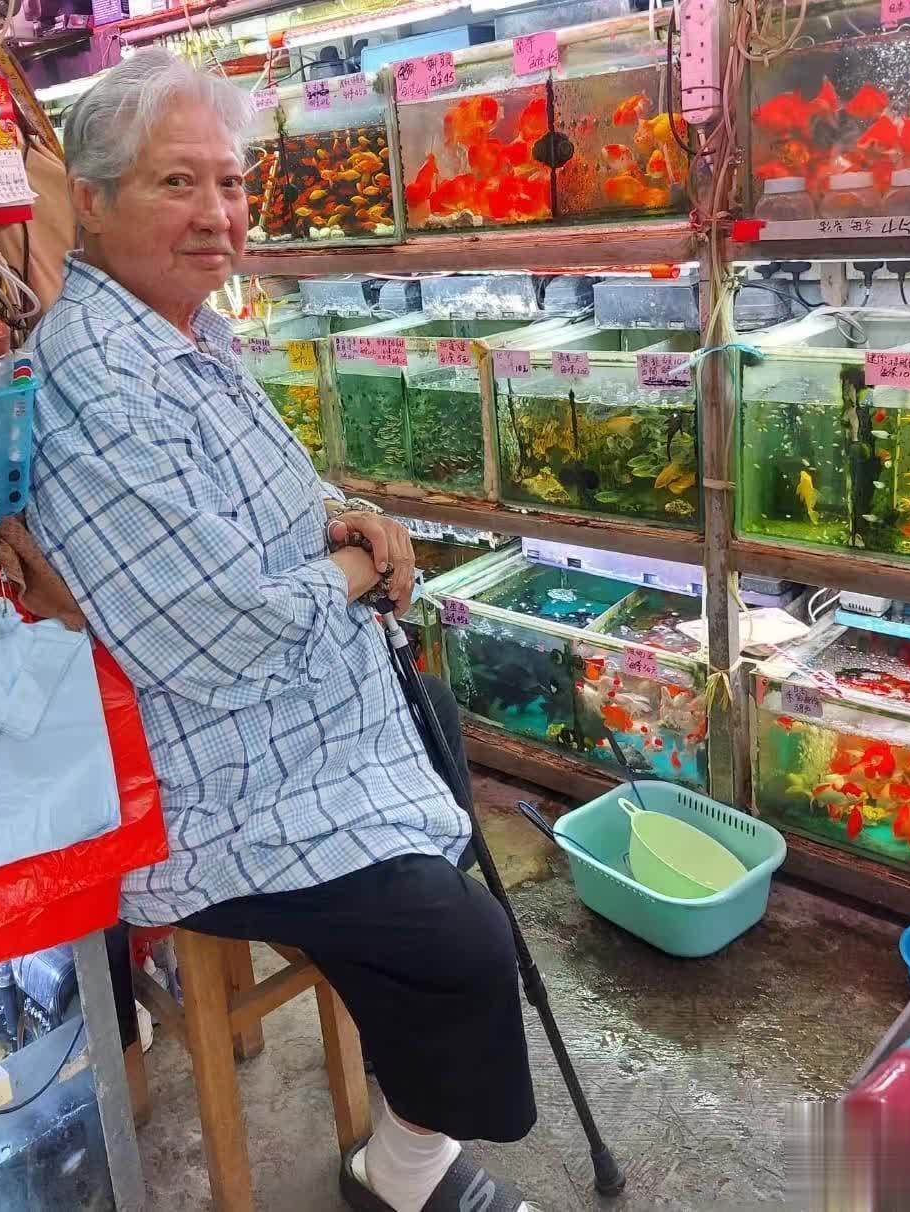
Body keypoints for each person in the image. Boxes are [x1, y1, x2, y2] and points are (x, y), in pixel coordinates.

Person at [26, 48, 538, 1212]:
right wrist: (356, 570)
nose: (217, 214)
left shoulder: (186, 333)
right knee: (462, 940)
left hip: (306, 721)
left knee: (435, 742)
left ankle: (401, 1076)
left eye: (231, 182)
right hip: (208, 788)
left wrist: (348, 516)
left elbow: (277, 494)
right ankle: (400, 1171)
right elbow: (215, 638)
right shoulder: (93, 378)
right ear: (90, 203)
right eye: (177, 183)